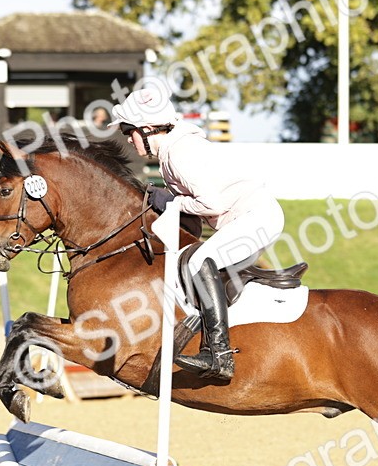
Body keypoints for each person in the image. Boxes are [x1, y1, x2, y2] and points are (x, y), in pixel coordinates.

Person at [112, 82, 284, 381]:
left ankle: (219, 354)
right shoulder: (171, 153)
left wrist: (172, 201)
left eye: (130, 132)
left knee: (197, 263)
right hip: (246, 218)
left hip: (257, 217)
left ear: (149, 128)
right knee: (195, 264)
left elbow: (211, 203)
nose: (129, 140)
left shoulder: (180, 152)